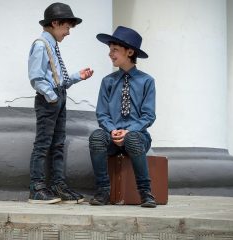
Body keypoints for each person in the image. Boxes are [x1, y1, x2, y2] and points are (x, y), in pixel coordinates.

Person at [28, 2, 94, 204]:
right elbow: (36, 78)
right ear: (55, 23)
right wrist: (52, 96)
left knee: (57, 144)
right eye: (66, 27)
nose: (68, 33)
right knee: (43, 144)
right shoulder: (40, 45)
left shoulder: (53, 46)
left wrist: (76, 76)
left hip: (58, 96)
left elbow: (57, 77)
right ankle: (37, 188)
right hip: (50, 100)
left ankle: (57, 184)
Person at [89, 26, 157, 208]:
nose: (110, 54)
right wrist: (112, 131)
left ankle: (145, 193)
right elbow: (101, 113)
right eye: (109, 50)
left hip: (137, 136)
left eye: (114, 50)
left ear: (130, 52)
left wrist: (128, 132)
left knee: (133, 139)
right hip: (112, 136)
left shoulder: (147, 81)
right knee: (96, 137)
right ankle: (103, 191)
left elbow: (149, 115)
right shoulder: (108, 81)